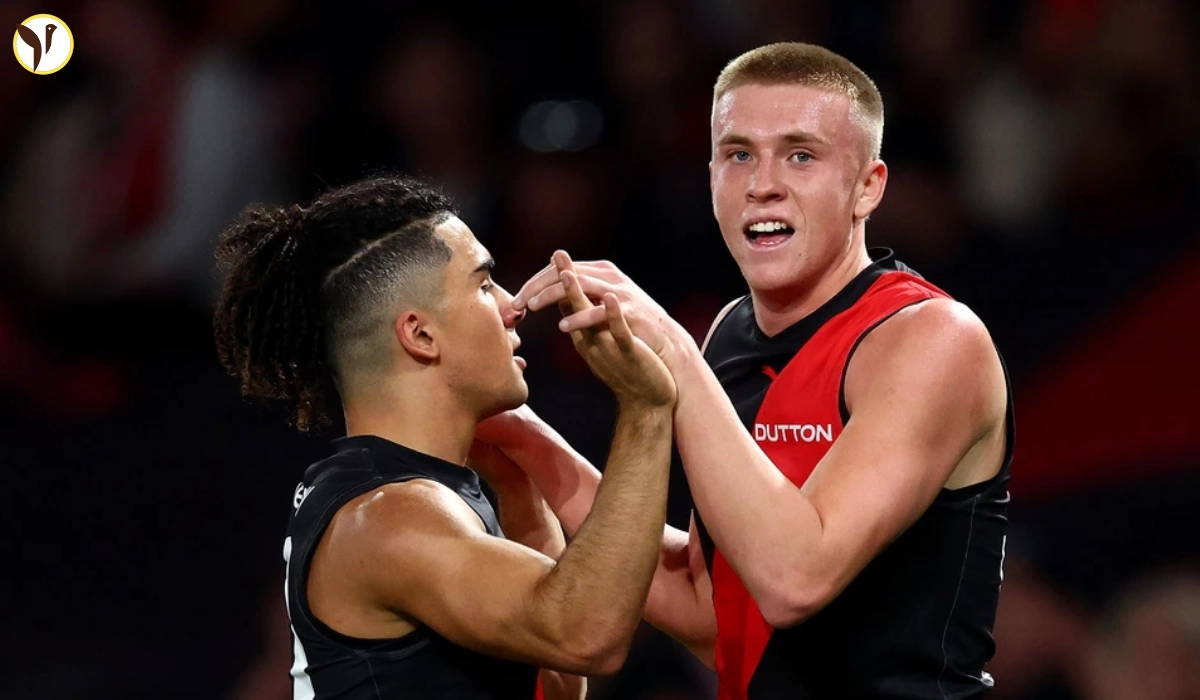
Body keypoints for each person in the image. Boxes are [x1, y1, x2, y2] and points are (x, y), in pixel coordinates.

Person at [484, 42, 1013, 699]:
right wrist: (523, 436)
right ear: (711, 177)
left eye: (801, 155)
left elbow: (795, 581)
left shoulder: (933, 339)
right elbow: (713, 614)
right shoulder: (729, 335)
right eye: (738, 154)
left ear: (867, 187)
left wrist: (675, 354)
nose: (763, 183)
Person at [211, 174, 678, 700]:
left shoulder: (409, 494)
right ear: (420, 334)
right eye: (484, 284)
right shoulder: (388, 515)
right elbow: (586, 637)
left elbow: (559, 683)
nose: (513, 305)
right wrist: (646, 410)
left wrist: (519, 489)